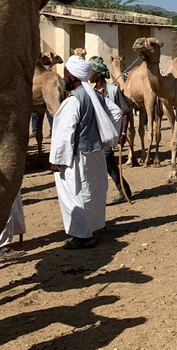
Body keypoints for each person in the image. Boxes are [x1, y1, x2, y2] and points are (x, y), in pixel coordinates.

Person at [49, 55, 123, 249]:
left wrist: (56, 159)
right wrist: (106, 134)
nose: (63, 77)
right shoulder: (95, 95)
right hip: (96, 152)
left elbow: (65, 133)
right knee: (94, 192)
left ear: (73, 77)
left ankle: (83, 236)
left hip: (77, 156)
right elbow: (115, 112)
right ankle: (95, 228)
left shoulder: (74, 101)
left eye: (65, 74)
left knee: (75, 195)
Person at [90, 57, 133, 203]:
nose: (90, 75)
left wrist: (122, 133)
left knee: (108, 162)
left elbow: (125, 113)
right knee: (107, 165)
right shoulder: (92, 92)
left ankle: (123, 191)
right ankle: (124, 190)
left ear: (99, 74)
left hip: (110, 134)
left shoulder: (113, 91)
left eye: (92, 72)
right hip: (96, 134)